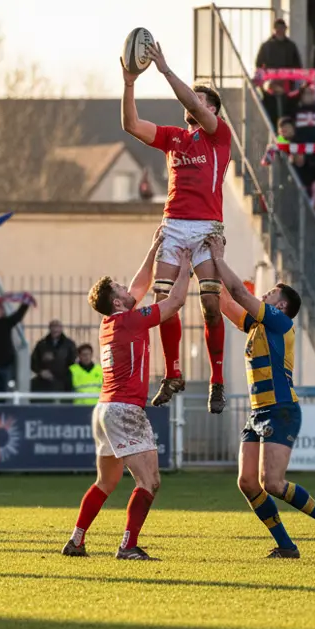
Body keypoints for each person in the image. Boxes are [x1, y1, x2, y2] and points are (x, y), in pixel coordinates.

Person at [206, 235, 315, 559]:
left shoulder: (279, 321)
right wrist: (203, 271)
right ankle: (286, 545)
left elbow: (240, 293)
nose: (263, 295)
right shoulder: (258, 324)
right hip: (258, 413)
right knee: (247, 482)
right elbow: (227, 303)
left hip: (280, 409)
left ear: (281, 305)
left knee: (272, 482)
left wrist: (218, 257)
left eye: (270, 293)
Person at [61, 233, 191, 560]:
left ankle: (77, 540)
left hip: (104, 409)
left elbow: (138, 286)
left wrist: (152, 250)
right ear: (118, 302)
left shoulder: (110, 322)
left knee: (106, 482)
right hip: (124, 410)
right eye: (120, 288)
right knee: (150, 482)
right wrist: (187, 265)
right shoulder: (131, 321)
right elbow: (174, 303)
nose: (127, 288)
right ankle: (127, 546)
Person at [121, 40, 232, 413]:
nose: (192, 105)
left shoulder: (220, 135)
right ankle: (173, 374)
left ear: (212, 109)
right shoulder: (173, 138)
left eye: (200, 101)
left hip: (206, 229)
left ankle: (217, 380)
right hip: (173, 225)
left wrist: (166, 69)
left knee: (211, 305)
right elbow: (131, 124)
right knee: (165, 303)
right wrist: (130, 82)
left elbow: (194, 104)